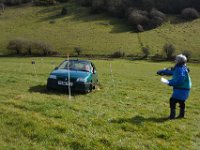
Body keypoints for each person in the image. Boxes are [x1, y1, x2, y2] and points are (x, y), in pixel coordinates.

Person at [163, 54, 192, 119]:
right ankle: (181, 115)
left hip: (181, 88)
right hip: (185, 88)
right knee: (181, 101)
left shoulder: (180, 68)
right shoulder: (183, 67)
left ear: (179, 61)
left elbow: (180, 78)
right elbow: (176, 76)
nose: (175, 60)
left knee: (172, 100)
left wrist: (170, 82)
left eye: (176, 59)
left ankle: (172, 116)